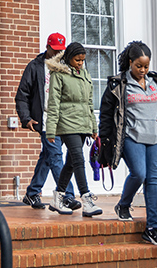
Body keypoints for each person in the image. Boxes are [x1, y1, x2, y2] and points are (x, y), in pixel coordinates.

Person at [98, 41, 157, 246]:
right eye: (138, 66)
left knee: (154, 181)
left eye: (146, 66)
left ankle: (152, 228)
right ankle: (124, 204)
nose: (142, 70)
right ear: (130, 62)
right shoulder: (118, 84)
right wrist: (104, 139)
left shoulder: (154, 82)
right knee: (139, 174)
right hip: (131, 136)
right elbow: (106, 114)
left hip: (155, 138)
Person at [14, 32, 79, 211]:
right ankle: (67, 196)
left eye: (61, 50)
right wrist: (26, 118)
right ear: (47, 47)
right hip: (46, 120)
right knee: (56, 156)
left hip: (66, 120)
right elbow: (22, 95)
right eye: (54, 49)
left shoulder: (68, 67)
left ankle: (32, 193)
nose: (57, 53)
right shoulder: (35, 67)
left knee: (48, 156)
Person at [45, 41, 103, 217]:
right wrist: (51, 129)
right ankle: (86, 199)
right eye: (77, 60)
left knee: (71, 162)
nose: (80, 63)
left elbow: (89, 103)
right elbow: (53, 103)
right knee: (78, 159)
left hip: (82, 124)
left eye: (83, 60)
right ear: (69, 57)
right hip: (67, 122)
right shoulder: (58, 74)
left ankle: (58, 197)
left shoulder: (84, 74)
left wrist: (93, 127)